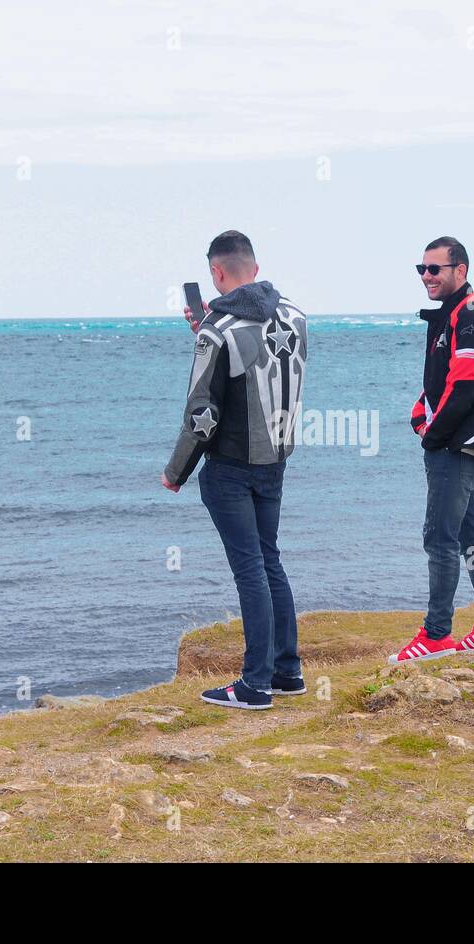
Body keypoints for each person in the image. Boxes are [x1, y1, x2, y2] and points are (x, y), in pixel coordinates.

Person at [161, 231, 308, 710]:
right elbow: (258, 363)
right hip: (276, 459)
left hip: (231, 468)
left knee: (250, 571)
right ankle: (287, 672)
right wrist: (208, 329)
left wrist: (176, 472)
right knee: (270, 561)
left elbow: (201, 414)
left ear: (217, 274)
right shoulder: (294, 316)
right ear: (256, 268)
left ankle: (254, 685)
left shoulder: (216, 331)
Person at [388, 237, 474, 664]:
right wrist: (419, 414)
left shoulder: (471, 313)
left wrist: (432, 435)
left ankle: (437, 635)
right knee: (468, 535)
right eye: (421, 269)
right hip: (460, 442)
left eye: (434, 269)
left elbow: (464, 385)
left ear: (460, 270)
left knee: (440, 537)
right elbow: (441, 383)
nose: (426, 276)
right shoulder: (450, 315)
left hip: (458, 446)